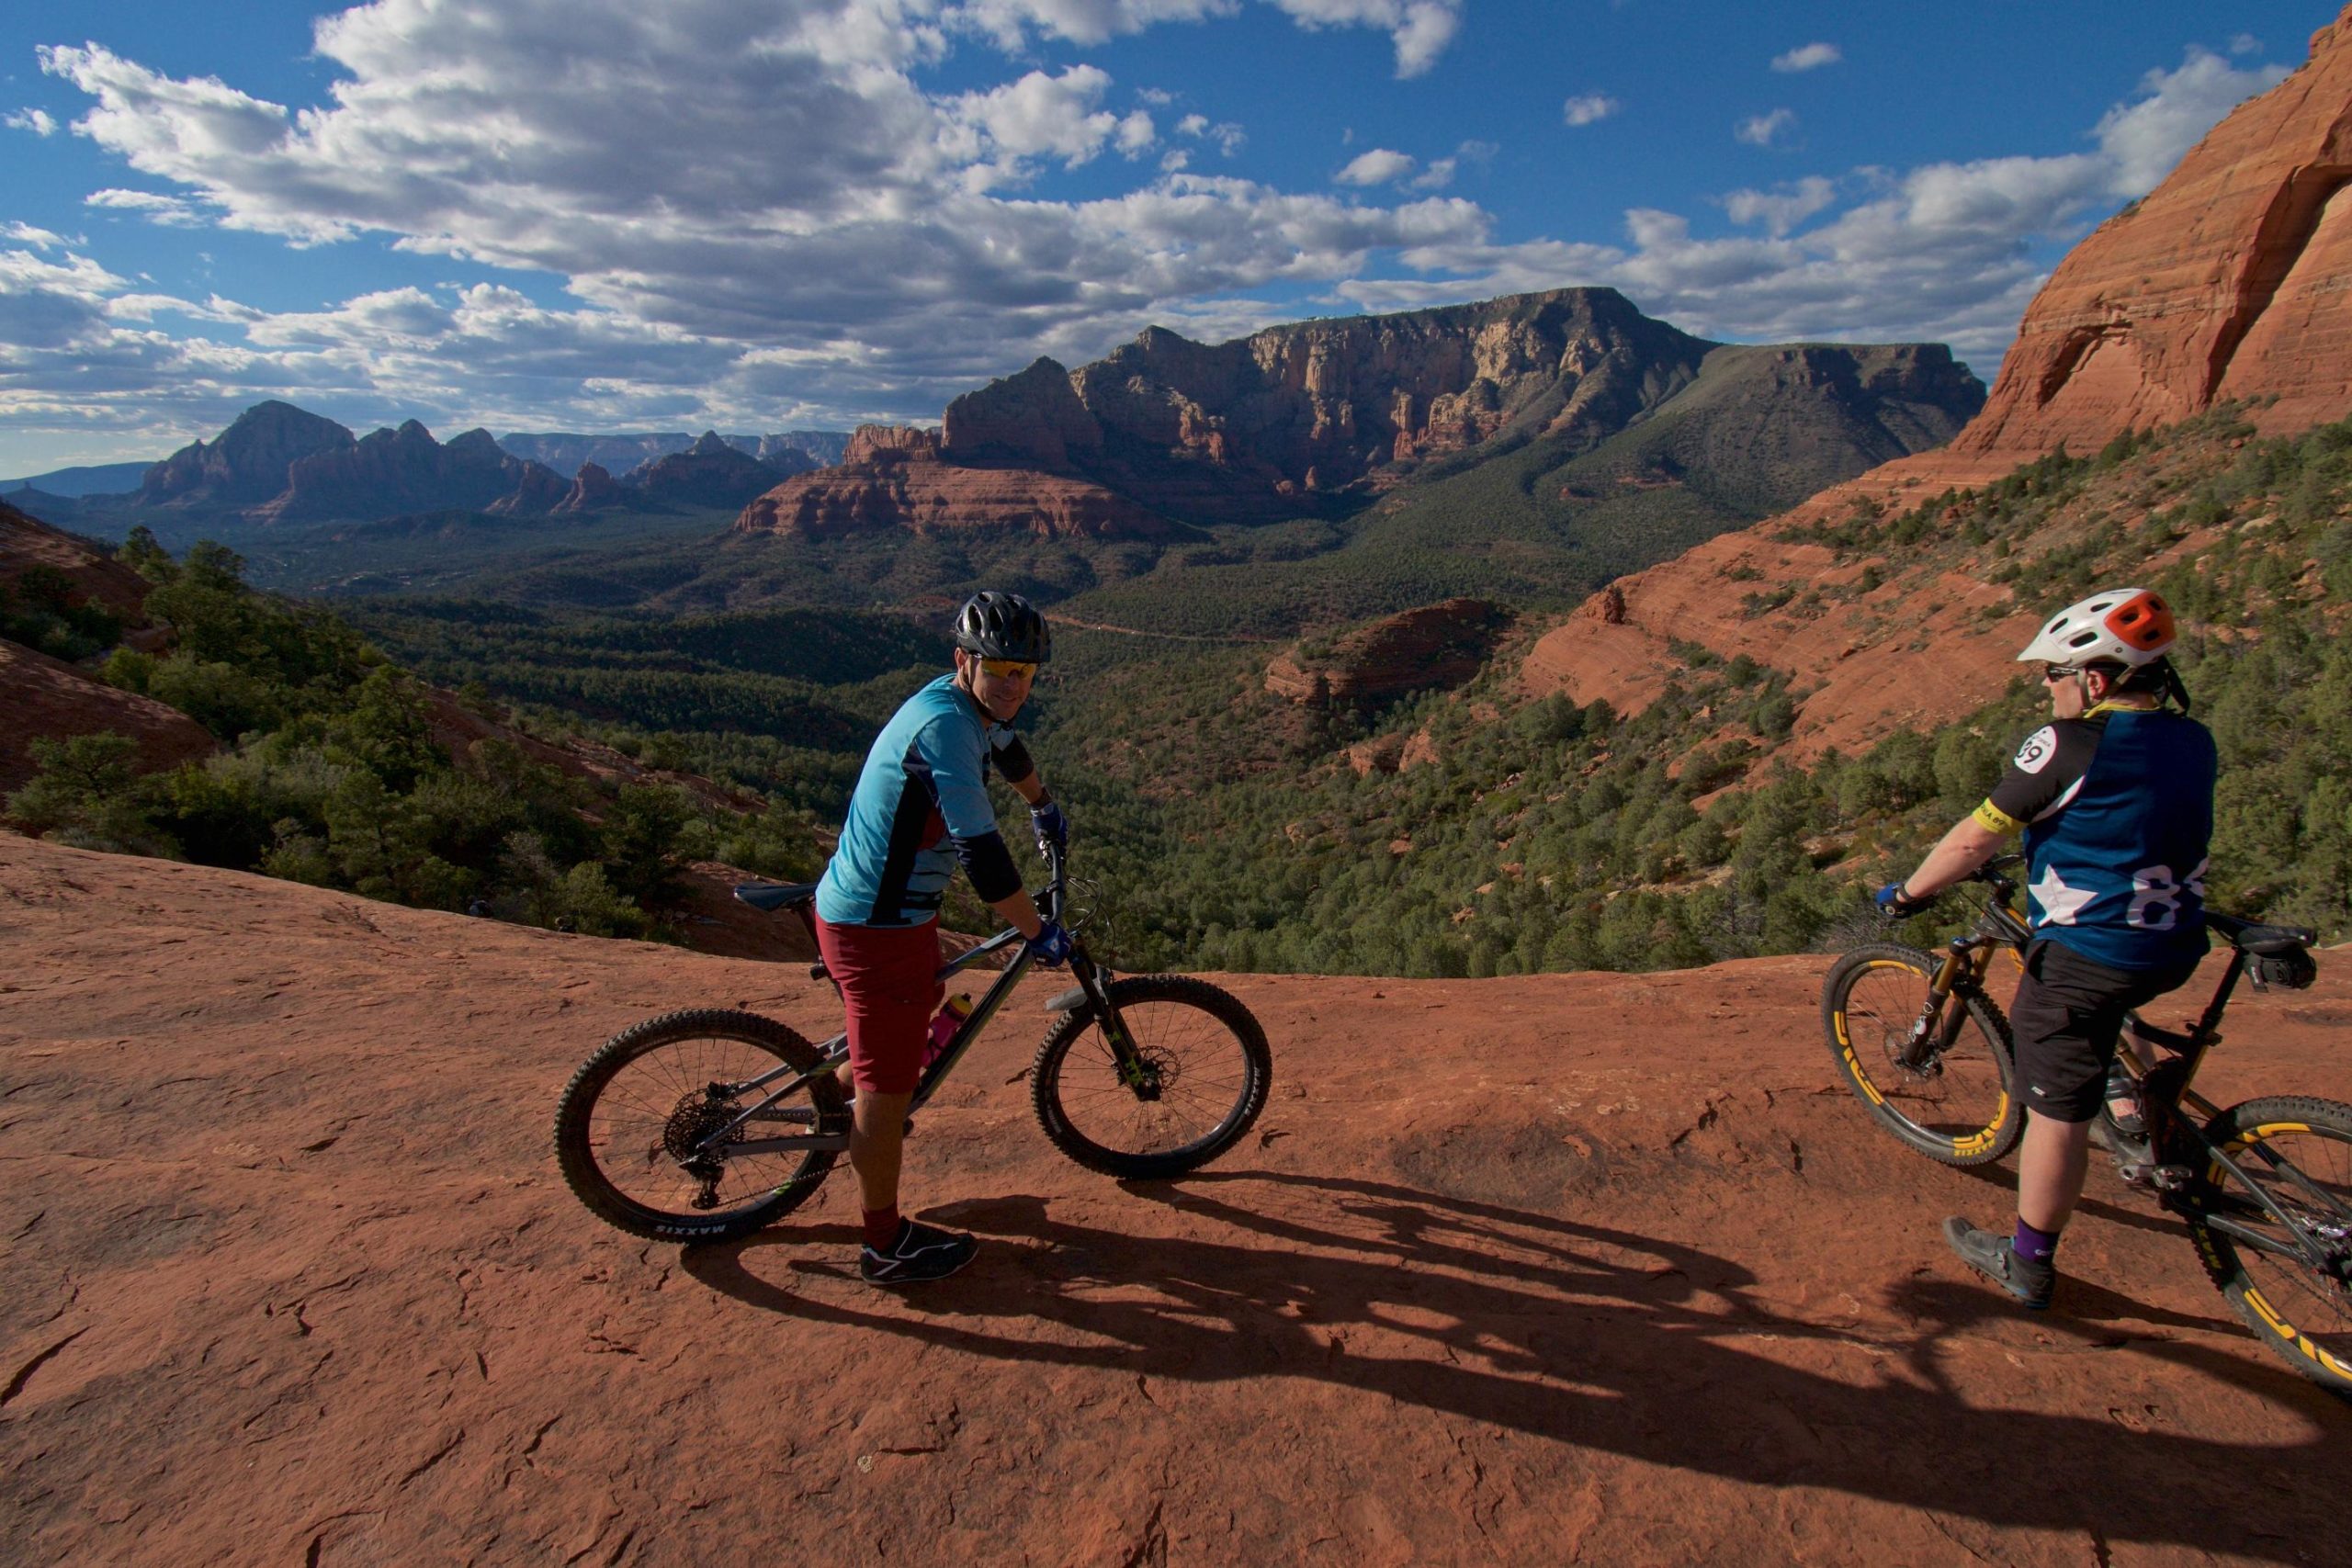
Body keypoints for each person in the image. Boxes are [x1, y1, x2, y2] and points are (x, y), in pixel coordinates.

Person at [1875, 586, 2213, 1310]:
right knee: (2110, 1008)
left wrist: (1909, 892)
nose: (2047, 687)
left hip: (2092, 950)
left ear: (2093, 680)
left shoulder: (2068, 744)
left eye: (2054, 674)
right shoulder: (2196, 738)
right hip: (2177, 938)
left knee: (2055, 1106)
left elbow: (1976, 835)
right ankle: (2130, 1116)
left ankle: (2028, 1263)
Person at [812, 591, 1073, 1285]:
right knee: (889, 1088)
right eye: (1001, 670)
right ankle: (884, 1245)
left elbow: (1009, 745)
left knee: (927, 1000)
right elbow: (983, 858)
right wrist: (1037, 930)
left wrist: (1042, 803)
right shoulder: (944, 731)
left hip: (894, 915)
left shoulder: (968, 707)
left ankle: (830, 1096)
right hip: (874, 926)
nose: (1015, 685)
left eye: (1026, 672)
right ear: (965, 661)